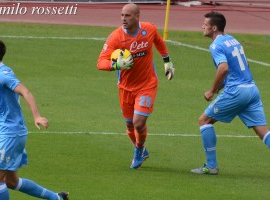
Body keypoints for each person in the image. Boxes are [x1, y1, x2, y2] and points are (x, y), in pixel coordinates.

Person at [0, 38, 69, 199]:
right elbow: (1, 100)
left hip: (11, 134)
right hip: (7, 131)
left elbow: (25, 92)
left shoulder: (3, 75)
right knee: (11, 182)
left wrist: (37, 116)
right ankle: (57, 197)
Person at [97, 3, 175, 169]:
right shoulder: (116, 37)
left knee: (138, 123)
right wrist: (116, 65)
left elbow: (159, 41)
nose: (123, 19)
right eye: (122, 15)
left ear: (137, 16)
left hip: (147, 84)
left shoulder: (149, 29)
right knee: (129, 125)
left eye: (128, 16)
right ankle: (141, 148)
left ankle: (138, 150)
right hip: (125, 88)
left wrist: (167, 61)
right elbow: (100, 62)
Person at [191, 11, 270, 175]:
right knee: (263, 132)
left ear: (214, 28)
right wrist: (221, 87)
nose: (202, 27)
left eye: (205, 25)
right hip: (252, 90)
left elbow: (224, 67)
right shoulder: (233, 39)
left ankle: (211, 166)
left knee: (204, 121)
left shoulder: (215, 45)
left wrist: (212, 90)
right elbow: (245, 63)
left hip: (237, 92)